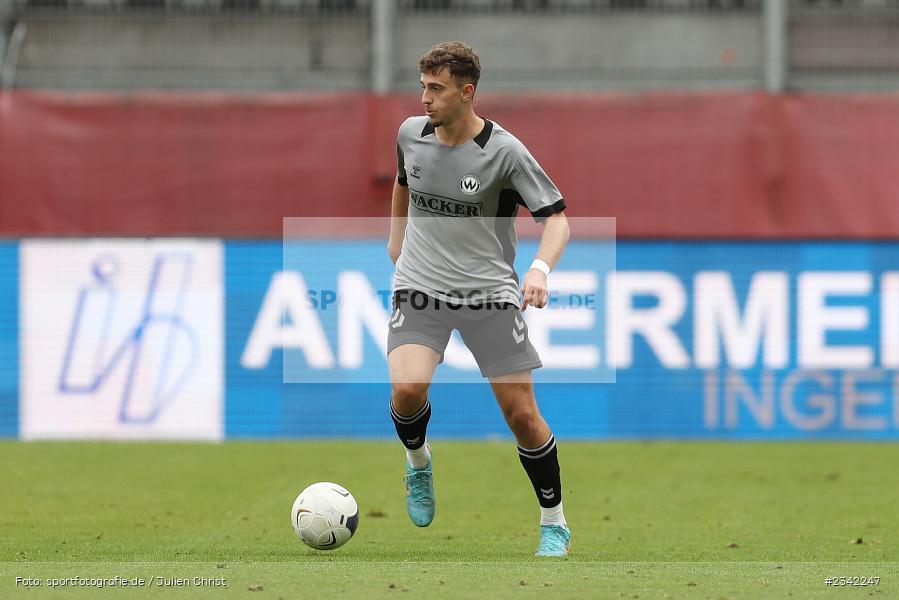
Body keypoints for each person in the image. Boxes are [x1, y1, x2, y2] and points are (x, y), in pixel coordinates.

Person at [386, 41, 571, 556]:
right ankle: (419, 462)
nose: (425, 98)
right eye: (422, 86)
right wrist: (396, 240)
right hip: (420, 286)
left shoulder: (505, 153)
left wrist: (538, 269)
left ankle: (553, 521)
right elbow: (404, 181)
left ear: (467, 93)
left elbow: (556, 219)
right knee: (406, 390)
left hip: (488, 294)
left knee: (522, 416)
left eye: (436, 89)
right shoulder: (410, 133)